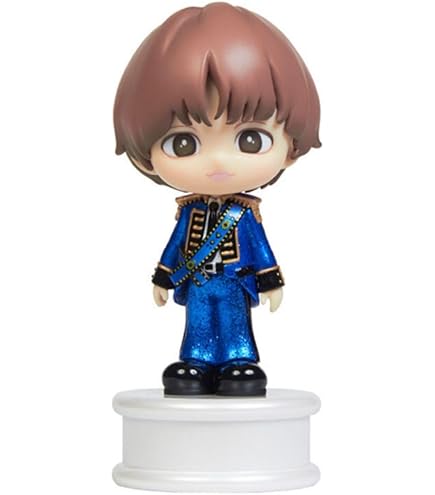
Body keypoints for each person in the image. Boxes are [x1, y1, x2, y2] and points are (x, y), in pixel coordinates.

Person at [113, 2, 321, 396]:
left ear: (290, 147)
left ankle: (238, 360)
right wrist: (162, 276)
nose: (218, 162)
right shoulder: (188, 210)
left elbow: (260, 248)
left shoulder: (244, 214)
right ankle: (197, 359)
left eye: (250, 139)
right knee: (198, 323)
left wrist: (270, 281)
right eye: (183, 143)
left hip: (233, 279)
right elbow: (177, 243)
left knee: (233, 321)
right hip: (197, 280)